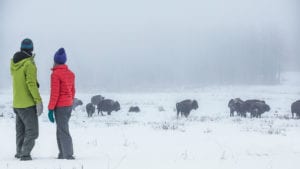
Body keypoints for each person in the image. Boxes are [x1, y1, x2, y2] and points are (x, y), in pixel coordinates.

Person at [10, 38, 43, 161]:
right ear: (31, 49)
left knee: (21, 130)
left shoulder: (14, 64)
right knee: (33, 131)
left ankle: (19, 151)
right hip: (27, 104)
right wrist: (38, 101)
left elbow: (21, 81)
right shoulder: (29, 64)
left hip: (17, 103)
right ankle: (25, 154)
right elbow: (31, 83)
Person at [48, 48, 75, 160]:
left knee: (63, 130)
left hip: (60, 106)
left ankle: (68, 155)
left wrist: (50, 109)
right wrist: (70, 101)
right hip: (68, 105)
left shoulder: (55, 74)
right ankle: (62, 153)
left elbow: (55, 93)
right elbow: (73, 91)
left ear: (55, 60)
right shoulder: (70, 74)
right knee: (61, 129)